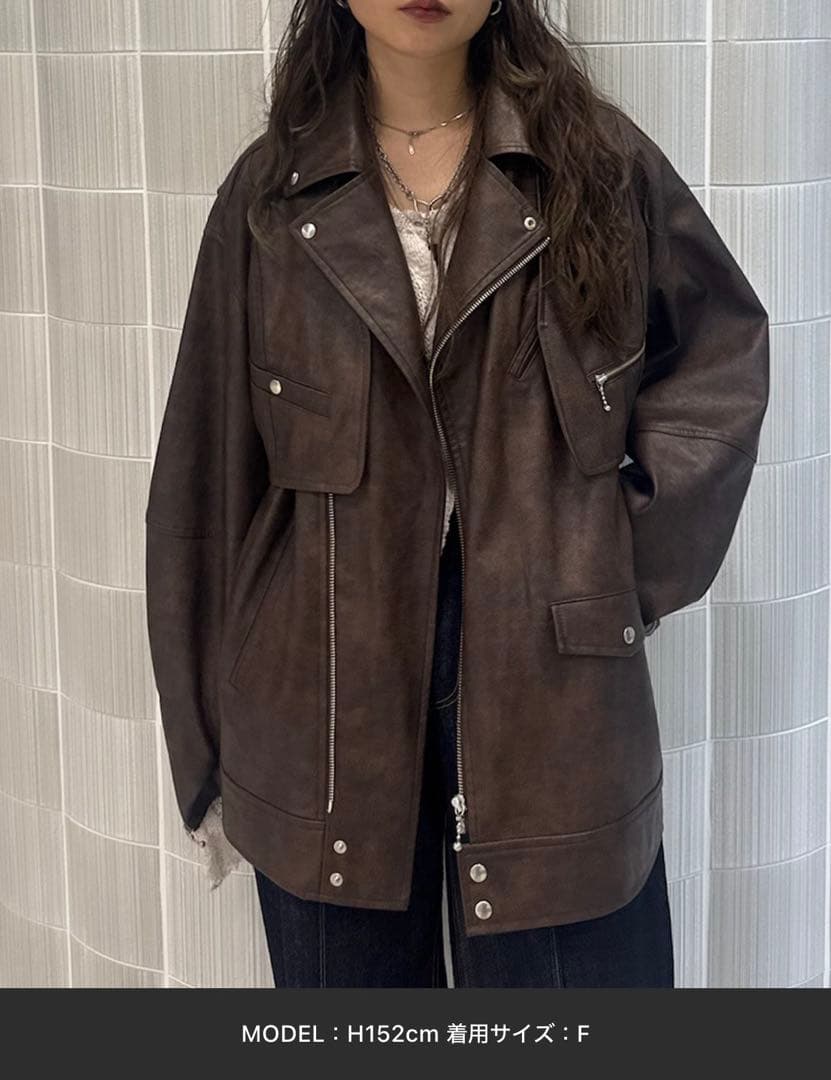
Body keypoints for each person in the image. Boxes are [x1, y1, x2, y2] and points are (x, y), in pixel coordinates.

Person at [144, 0, 769, 988]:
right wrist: (204, 755)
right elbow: (203, 483)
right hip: (319, 693)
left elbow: (717, 365)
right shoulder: (271, 196)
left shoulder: (594, 165)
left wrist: (611, 561)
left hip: (554, 686)